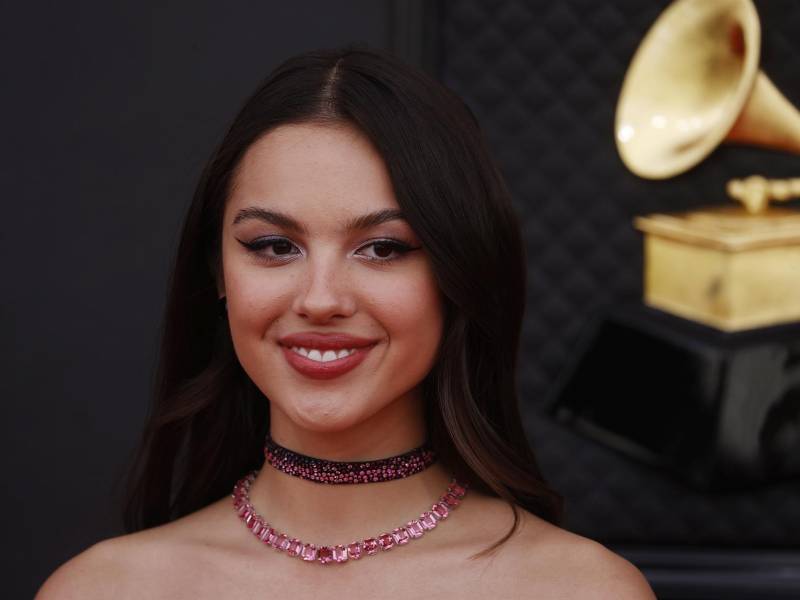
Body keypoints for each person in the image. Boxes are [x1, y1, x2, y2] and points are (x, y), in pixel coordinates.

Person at [37, 45, 655, 599]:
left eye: (383, 248)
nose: (321, 299)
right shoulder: (103, 588)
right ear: (219, 274)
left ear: (458, 274)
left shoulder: (578, 590)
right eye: (274, 246)